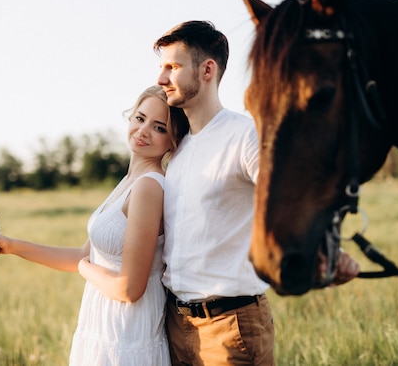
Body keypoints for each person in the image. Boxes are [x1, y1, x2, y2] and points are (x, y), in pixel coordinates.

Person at [153, 20, 360, 366]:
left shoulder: (245, 135)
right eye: (161, 68)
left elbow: (291, 197)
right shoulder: (179, 150)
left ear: (207, 69)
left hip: (230, 327)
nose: (161, 79)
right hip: (176, 325)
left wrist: (327, 252)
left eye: (172, 67)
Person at [0, 86, 189, 366]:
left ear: (173, 140)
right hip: (102, 330)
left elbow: (129, 288)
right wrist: (11, 245)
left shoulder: (149, 187)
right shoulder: (129, 182)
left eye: (159, 127)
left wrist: (85, 267)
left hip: (126, 336)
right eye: (140, 118)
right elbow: (81, 254)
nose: (143, 130)